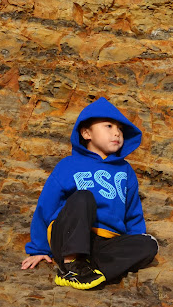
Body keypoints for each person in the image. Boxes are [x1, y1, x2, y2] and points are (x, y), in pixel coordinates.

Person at [21, 97, 158, 290]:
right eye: (108, 126)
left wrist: (133, 242)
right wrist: (39, 249)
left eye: (120, 129)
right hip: (68, 239)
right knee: (83, 198)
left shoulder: (125, 170)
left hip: (104, 244)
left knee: (149, 244)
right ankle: (71, 265)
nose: (117, 133)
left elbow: (133, 212)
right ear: (86, 133)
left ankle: (91, 271)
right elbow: (46, 206)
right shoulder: (69, 165)